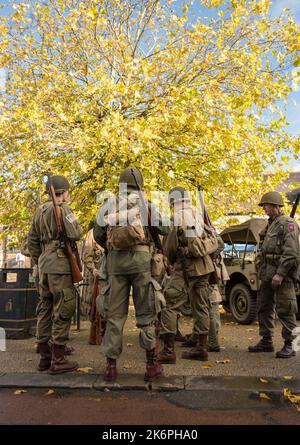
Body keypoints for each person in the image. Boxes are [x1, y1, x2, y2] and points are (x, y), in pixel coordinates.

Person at [93, 167, 169, 381]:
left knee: (114, 316)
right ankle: (151, 366)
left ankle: (110, 367)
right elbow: (166, 229)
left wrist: (112, 249)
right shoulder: (147, 204)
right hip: (142, 262)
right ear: (141, 184)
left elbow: (98, 234)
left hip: (116, 263)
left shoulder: (109, 204)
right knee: (146, 313)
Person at [27, 175, 83, 373]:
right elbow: (76, 233)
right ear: (64, 192)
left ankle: (45, 357)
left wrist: (41, 258)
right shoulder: (64, 209)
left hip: (44, 265)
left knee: (45, 307)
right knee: (63, 308)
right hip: (60, 265)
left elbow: (31, 241)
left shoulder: (39, 211)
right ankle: (58, 359)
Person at [157, 186, 217, 364]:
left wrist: (170, 259)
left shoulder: (177, 217)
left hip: (186, 268)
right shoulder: (198, 215)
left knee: (169, 304)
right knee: (201, 307)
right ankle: (201, 348)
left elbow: (169, 248)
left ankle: (168, 351)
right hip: (204, 268)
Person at [248, 191, 299, 358]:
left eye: (267, 206)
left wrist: (280, 274)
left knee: (286, 309)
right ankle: (266, 341)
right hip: (267, 273)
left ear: (276, 206)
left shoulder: (288, 224)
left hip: (281, 275)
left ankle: (290, 344)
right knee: (264, 306)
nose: (264, 209)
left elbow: (291, 253)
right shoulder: (272, 224)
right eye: (264, 206)